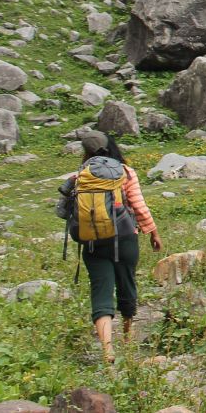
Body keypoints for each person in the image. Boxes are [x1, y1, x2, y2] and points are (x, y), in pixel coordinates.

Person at [59, 131, 162, 363]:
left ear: (86, 151)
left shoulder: (81, 175)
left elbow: (64, 210)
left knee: (101, 291)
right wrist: (153, 232)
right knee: (127, 283)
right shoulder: (125, 172)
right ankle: (127, 336)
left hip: (93, 242)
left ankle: (107, 349)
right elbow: (138, 205)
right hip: (125, 239)